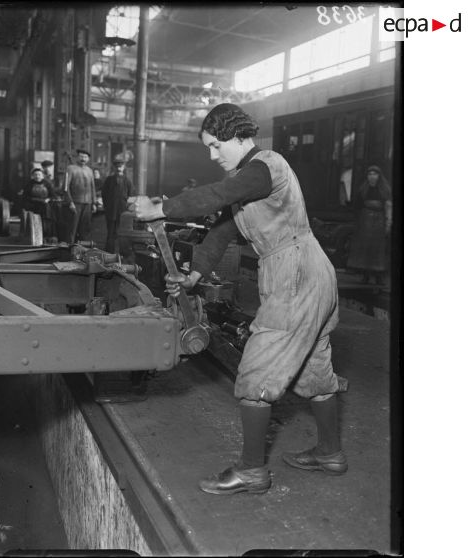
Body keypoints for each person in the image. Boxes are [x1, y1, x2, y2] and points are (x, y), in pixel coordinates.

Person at [129, 103, 347, 496]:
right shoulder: (247, 181)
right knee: (315, 369)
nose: (213, 156)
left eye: (216, 146)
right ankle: (330, 453)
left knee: (256, 372)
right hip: (309, 271)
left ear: (239, 136)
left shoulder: (264, 166)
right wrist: (192, 277)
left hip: (294, 272)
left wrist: (160, 207)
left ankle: (250, 471)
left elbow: (217, 195)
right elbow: (219, 233)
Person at [346, 165, 392, 284]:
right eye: (370, 174)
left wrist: (388, 222)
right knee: (365, 249)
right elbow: (358, 206)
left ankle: (378, 277)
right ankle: (365, 275)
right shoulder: (363, 189)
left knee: (378, 249)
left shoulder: (384, 190)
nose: (372, 177)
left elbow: (388, 206)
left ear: (379, 176)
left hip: (379, 222)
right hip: (365, 222)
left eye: (374, 174)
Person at [63, 149, 97, 243]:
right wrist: (70, 202)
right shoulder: (70, 168)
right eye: (81, 156)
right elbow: (65, 187)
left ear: (88, 159)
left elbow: (92, 187)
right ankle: (69, 251)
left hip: (87, 204)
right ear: (77, 157)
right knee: (72, 228)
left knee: (85, 229)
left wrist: (94, 202)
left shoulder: (89, 170)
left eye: (85, 157)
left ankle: (82, 251)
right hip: (75, 203)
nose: (83, 159)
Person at [101, 157, 132, 253]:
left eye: (121, 166)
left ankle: (123, 253)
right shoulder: (109, 180)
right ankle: (109, 253)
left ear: (124, 167)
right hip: (111, 210)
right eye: (117, 166)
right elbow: (104, 194)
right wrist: (107, 207)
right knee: (111, 232)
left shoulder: (127, 180)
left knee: (122, 233)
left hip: (123, 211)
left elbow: (131, 196)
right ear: (114, 168)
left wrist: (127, 208)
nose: (119, 168)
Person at [19, 168, 56, 239]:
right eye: (35, 175)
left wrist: (48, 199)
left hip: (44, 204)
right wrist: (33, 200)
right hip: (32, 205)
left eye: (39, 174)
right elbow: (25, 196)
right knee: (34, 218)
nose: (37, 176)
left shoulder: (47, 183)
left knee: (47, 217)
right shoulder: (29, 184)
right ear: (32, 176)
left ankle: (45, 234)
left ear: (42, 176)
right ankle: (34, 234)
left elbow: (53, 195)